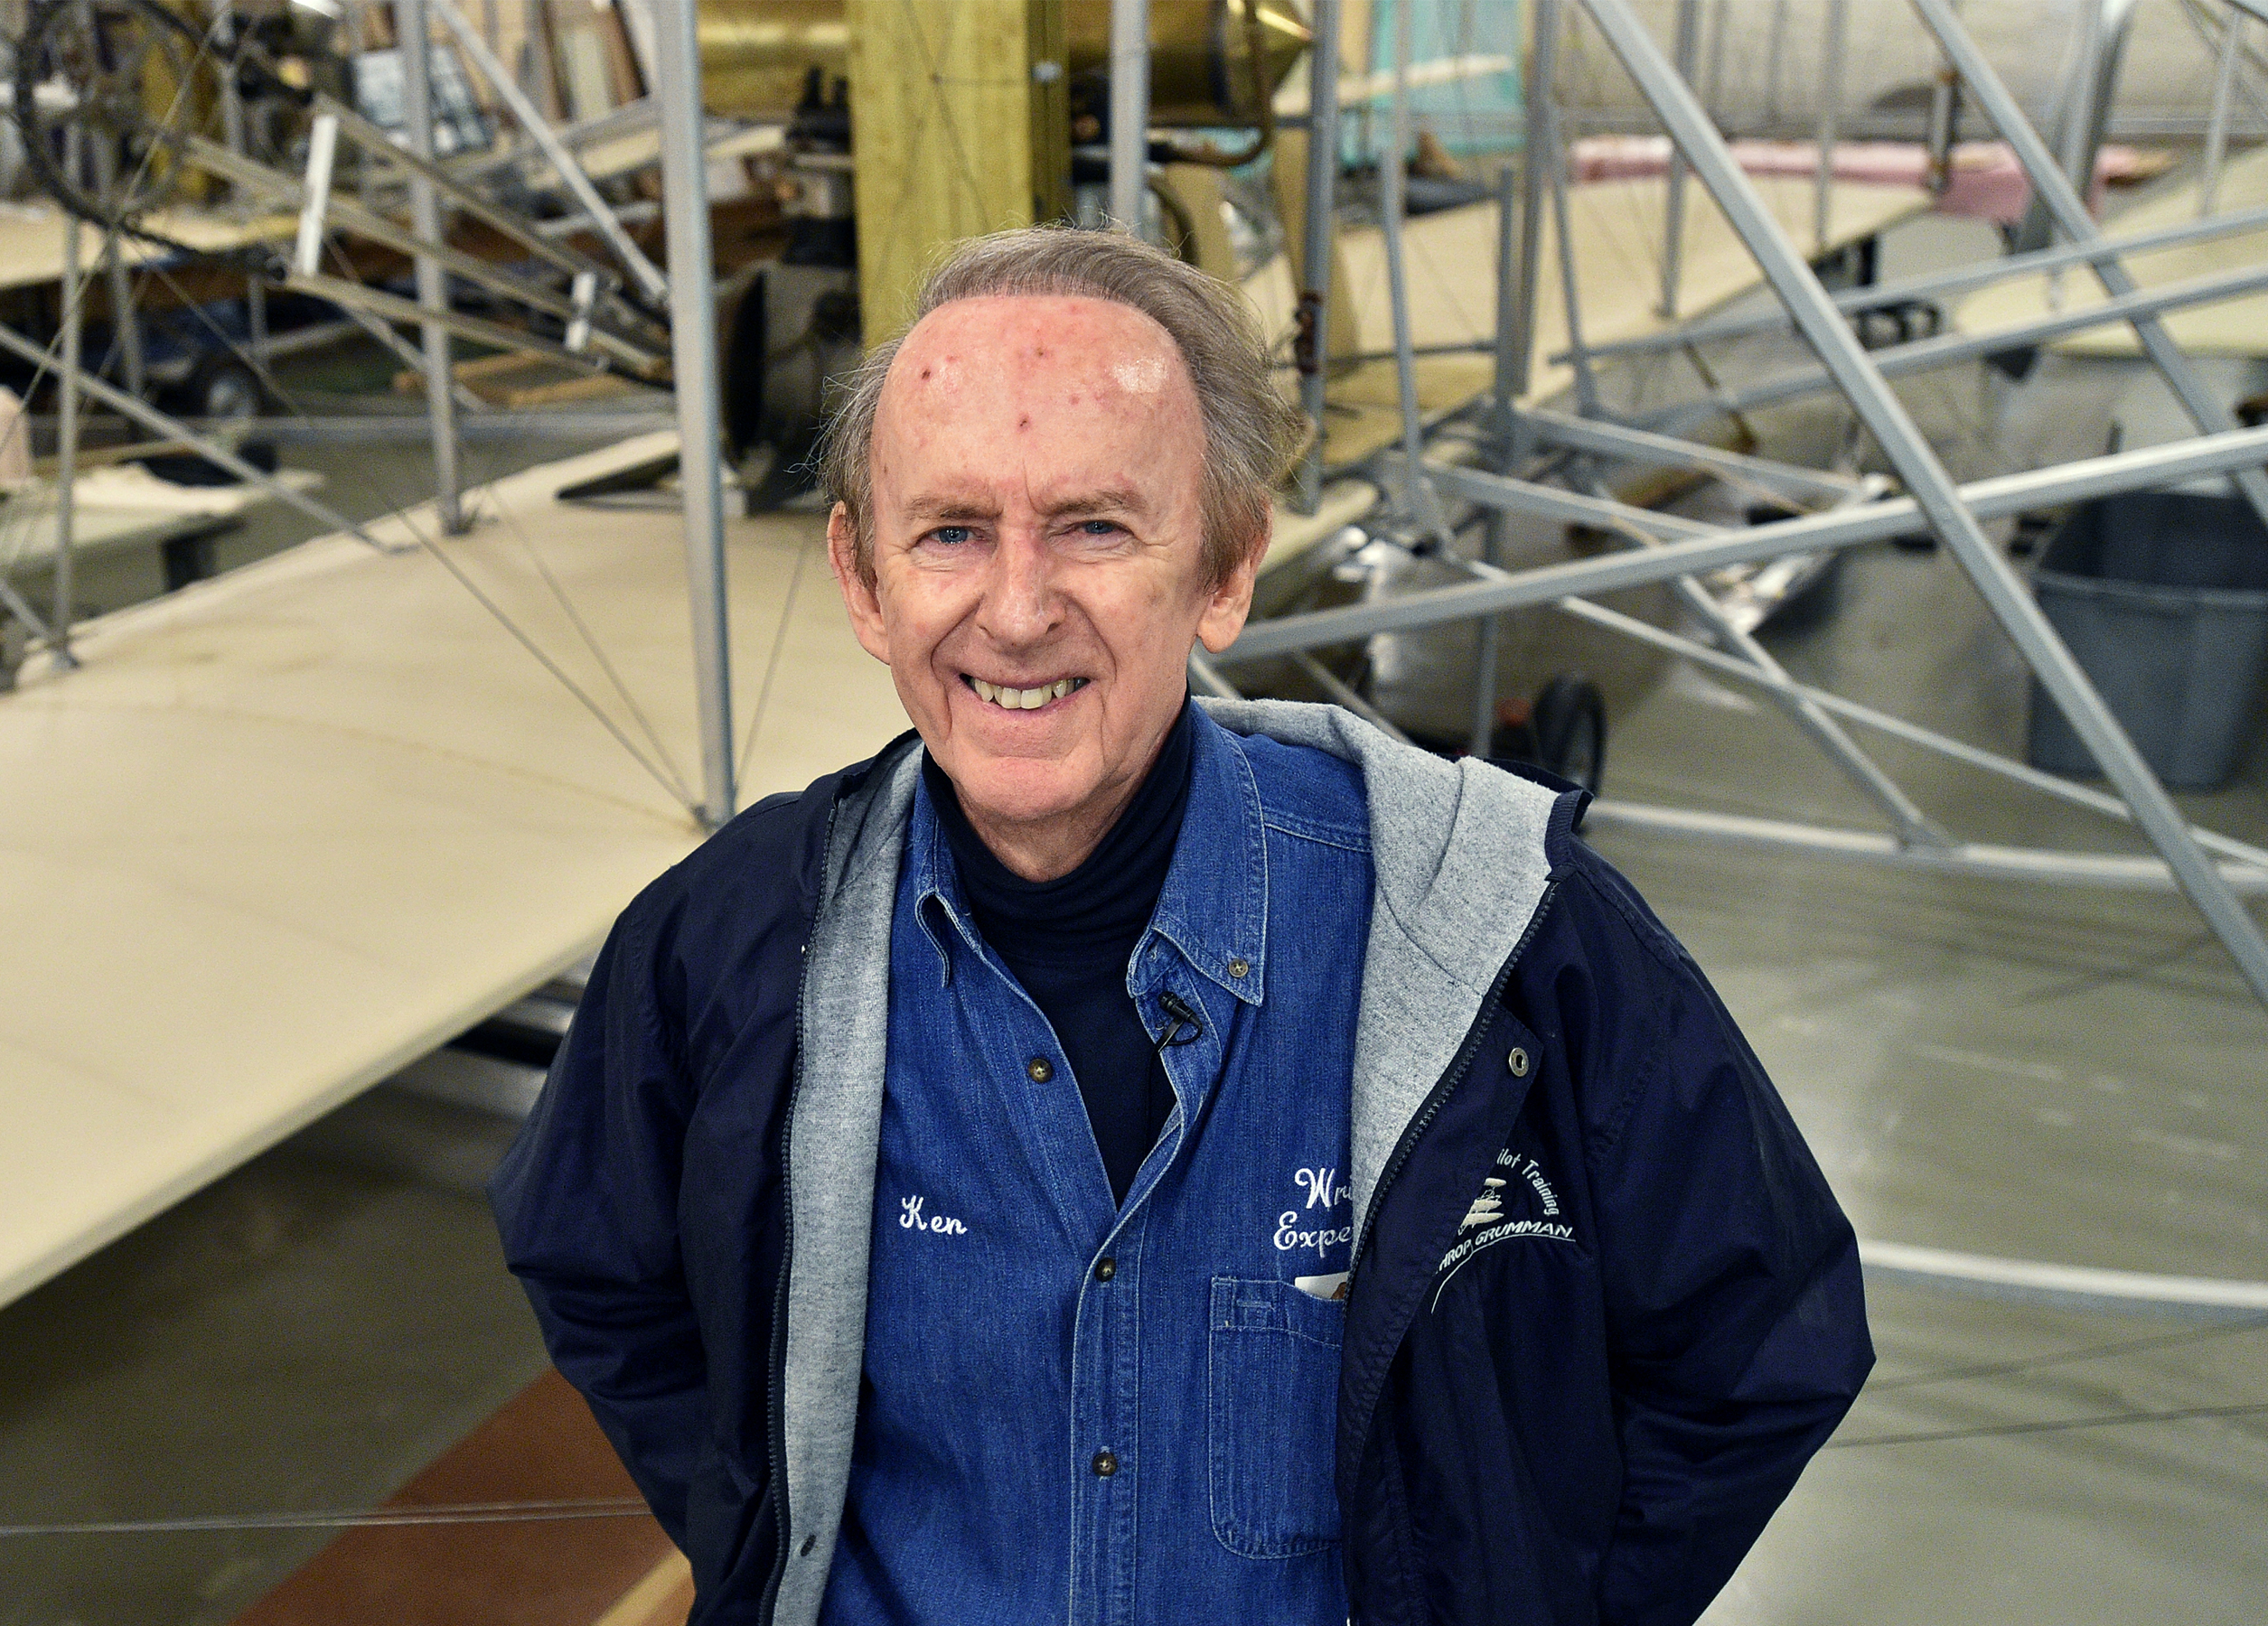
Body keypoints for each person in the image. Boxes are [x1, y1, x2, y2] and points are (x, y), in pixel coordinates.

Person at [491, 227, 1870, 1626]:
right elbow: (591, 1259)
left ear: (1225, 567)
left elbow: (1766, 1338)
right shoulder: (731, 941)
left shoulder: (1490, 931)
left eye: (1094, 527)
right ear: (863, 579)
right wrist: (775, 1552)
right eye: (952, 532)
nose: (1017, 612)